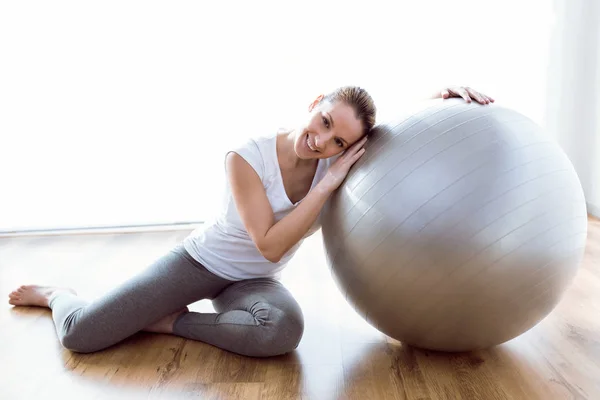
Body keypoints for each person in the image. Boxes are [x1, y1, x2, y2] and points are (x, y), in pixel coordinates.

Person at [7, 86, 494, 357]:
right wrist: (325, 187)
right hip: (198, 263)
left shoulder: (338, 160)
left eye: (338, 143)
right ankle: (56, 295)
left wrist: (439, 103)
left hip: (253, 283)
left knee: (281, 332)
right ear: (314, 103)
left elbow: (395, 143)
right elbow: (269, 244)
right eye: (324, 123)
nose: (323, 143)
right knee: (80, 336)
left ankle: (170, 323)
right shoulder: (247, 156)